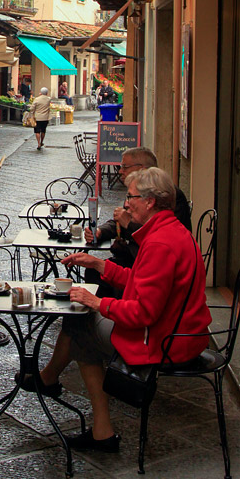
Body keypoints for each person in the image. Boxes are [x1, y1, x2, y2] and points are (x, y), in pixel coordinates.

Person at [22, 167, 210, 453]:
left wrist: (97, 303)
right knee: (81, 322)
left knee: (80, 323)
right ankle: (74, 405)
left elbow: (143, 313)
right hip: (184, 332)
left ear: (149, 202)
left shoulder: (159, 243)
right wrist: (99, 265)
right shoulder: (172, 231)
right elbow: (142, 282)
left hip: (167, 341)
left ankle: (61, 391)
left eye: (131, 197)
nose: (125, 203)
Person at [84, 147, 192, 296]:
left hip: (137, 261)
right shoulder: (139, 195)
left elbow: (145, 306)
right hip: (134, 261)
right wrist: (101, 231)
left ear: (150, 202)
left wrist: (102, 305)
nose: (120, 171)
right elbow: (120, 219)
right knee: (93, 272)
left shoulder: (162, 240)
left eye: (124, 167)